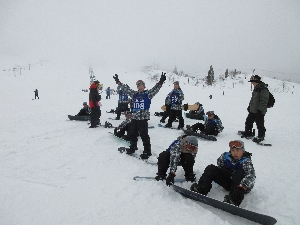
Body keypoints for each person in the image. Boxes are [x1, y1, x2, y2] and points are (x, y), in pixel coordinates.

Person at [113, 72, 166, 159]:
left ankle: (147, 151)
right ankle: (133, 147)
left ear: (144, 86)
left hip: (143, 118)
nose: (139, 87)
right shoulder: (134, 94)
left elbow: (155, 89)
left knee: (144, 135)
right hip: (134, 118)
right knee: (133, 134)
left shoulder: (147, 94)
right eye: (138, 86)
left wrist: (160, 81)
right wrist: (118, 82)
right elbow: (126, 89)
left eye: (140, 85)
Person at [190, 140, 256, 207]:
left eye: (238, 151)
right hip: (229, 182)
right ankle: (201, 188)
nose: (235, 153)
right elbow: (219, 164)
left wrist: (243, 185)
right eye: (233, 150)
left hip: (241, 186)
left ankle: (233, 200)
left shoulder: (246, 161)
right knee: (211, 168)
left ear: (243, 151)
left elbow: (251, 175)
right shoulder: (225, 156)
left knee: (238, 173)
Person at [240, 75, 269, 143]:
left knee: (260, 124)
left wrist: (260, 110)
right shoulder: (256, 88)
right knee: (248, 121)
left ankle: (261, 137)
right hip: (253, 110)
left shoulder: (263, 89)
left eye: (253, 82)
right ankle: (248, 133)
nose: (252, 83)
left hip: (259, 111)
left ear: (256, 81)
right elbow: (253, 100)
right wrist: (250, 106)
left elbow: (264, 101)